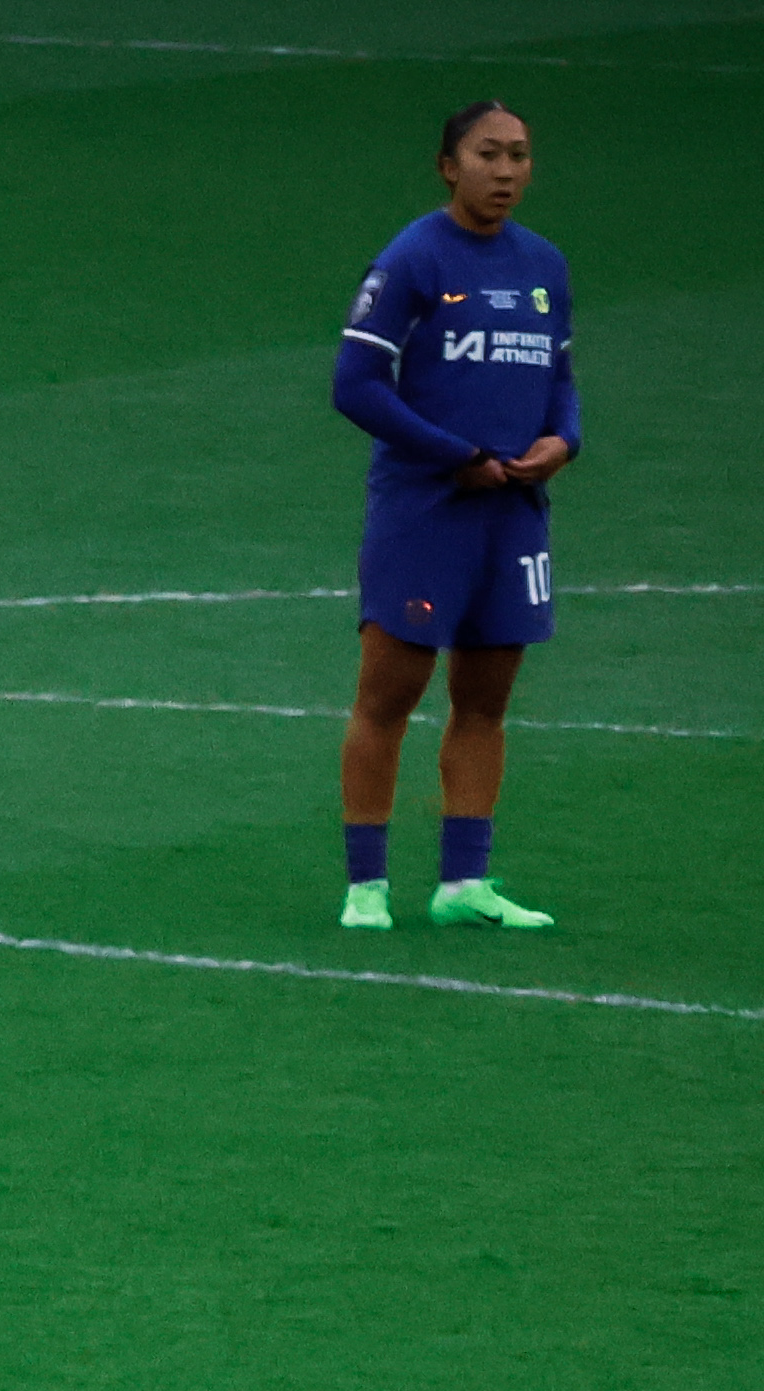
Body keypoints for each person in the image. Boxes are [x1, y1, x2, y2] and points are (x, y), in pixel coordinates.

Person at [329, 102, 572, 935]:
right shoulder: (412, 260)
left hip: (513, 514)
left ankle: (463, 882)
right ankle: (368, 886)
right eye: (487, 155)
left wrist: (563, 441)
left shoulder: (544, 267)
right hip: (425, 512)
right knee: (388, 695)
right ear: (448, 165)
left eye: (519, 155)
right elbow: (355, 385)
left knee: (485, 700)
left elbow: (559, 377)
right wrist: (453, 454)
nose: (505, 171)